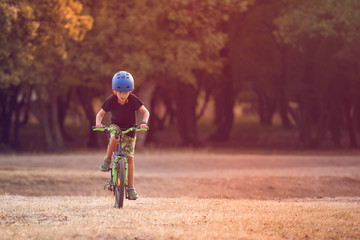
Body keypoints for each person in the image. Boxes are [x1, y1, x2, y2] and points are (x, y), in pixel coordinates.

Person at [95, 70, 150, 200]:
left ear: (130, 91)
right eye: (120, 92)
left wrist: (143, 122)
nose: (123, 95)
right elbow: (100, 114)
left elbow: (146, 112)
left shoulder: (133, 100)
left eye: (126, 92)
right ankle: (108, 159)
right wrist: (98, 123)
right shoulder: (112, 100)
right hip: (116, 127)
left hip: (130, 129)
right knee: (115, 136)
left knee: (130, 158)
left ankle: (130, 187)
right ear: (115, 91)